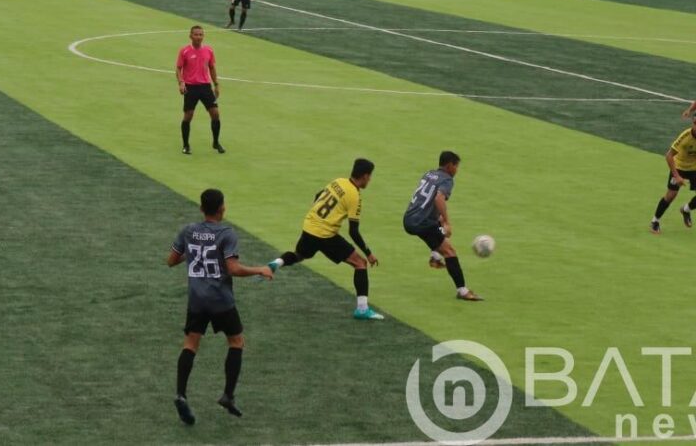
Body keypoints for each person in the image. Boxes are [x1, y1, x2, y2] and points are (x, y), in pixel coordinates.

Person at [168, 187, 273, 425]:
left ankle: (181, 394)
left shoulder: (188, 231)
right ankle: (228, 394)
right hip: (220, 300)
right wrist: (260, 269)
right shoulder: (227, 233)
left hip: (196, 299)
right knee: (236, 341)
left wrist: (194, 254)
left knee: (191, 344)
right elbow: (233, 269)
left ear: (201, 208)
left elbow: (171, 260)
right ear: (221, 208)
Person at [266, 158, 383, 320]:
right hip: (325, 234)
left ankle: (276, 263)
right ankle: (362, 309)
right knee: (360, 263)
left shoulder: (338, 181)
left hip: (309, 226)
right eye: (370, 177)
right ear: (364, 176)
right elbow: (353, 231)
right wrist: (369, 253)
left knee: (300, 255)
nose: (370, 180)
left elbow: (317, 196)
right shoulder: (354, 196)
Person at [402, 151, 482, 301]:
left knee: (438, 227)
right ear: (449, 165)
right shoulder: (447, 180)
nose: (457, 170)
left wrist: (440, 221)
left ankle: (435, 257)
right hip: (422, 222)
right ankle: (463, 291)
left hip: (409, 218)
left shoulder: (429, 174)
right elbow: (439, 198)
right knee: (450, 251)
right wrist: (447, 221)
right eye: (456, 166)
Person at [176, 25, 224, 155]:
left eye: (201, 34)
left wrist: (216, 84)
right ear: (190, 36)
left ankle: (216, 142)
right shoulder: (184, 51)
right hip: (190, 87)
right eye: (196, 34)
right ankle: (186, 145)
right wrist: (181, 83)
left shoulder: (208, 50)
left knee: (215, 113)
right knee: (188, 116)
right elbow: (178, 68)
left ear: (203, 36)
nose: (198, 37)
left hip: (205, 87)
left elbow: (212, 68)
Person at [651, 115, 696, 233]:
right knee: (671, 195)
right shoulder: (685, 137)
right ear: (693, 123)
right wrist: (676, 176)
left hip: (694, 168)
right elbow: (669, 155)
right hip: (679, 167)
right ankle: (655, 221)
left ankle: (686, 209)